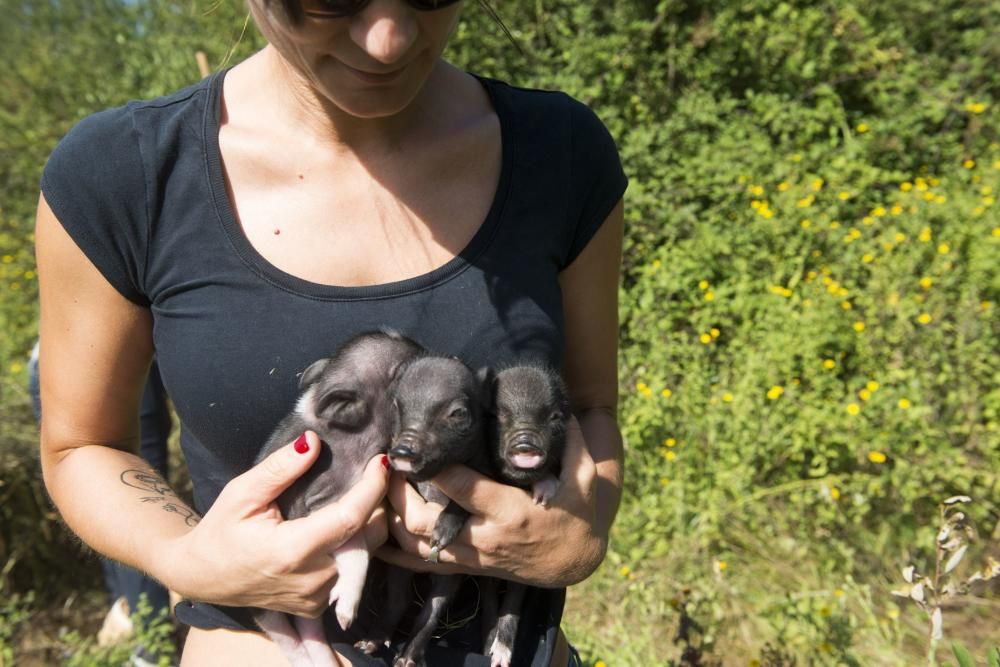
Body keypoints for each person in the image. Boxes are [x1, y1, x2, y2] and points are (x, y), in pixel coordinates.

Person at [35, 0, 626, 664]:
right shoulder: (122, 173)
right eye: (327, 0)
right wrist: (184, 554)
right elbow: (81, 444)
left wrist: (587, 525)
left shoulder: (562, 152)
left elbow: (591, 401)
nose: (388, 40)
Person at [28, 342, 174, 665]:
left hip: (112, 361)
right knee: (105, 501)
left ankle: (153, 647)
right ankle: (137, 626)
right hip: (77, 362)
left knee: (133, 504)